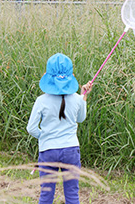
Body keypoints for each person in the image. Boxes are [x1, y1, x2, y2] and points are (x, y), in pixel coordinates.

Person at [27, 53, 93, 204]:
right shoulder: (77, 99)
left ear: (47, 76)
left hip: (48, 151)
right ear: (72, 76)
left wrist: (45, 136)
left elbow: (31, 128)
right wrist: (83, 96)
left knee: (46, 195)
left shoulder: (41, 100)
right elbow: (81, 119)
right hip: (71, 151)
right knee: (72, 194)